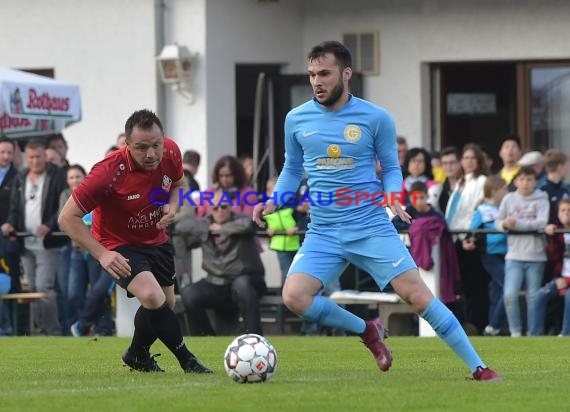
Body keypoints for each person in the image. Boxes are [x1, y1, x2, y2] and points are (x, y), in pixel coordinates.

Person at [253, 41, 499, 381]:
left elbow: (392, 168)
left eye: (324, 73)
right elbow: (292, 169)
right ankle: (367, 331)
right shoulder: (296, 118)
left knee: (418, 297)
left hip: (370, 226)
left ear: (346, 73)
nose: (316, 81)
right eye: (311, 75)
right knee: (294, 296)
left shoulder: (376, 117)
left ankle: (479, 367)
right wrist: (275, 200)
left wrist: (392, 195)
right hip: (323, 231)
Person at [58, 109, 211, 373]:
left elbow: (179, 184)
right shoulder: (106, 173)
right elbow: (67, 218)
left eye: (156, 145)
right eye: (141, 148)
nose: (151, 154)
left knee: (165, 304)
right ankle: (188, 360)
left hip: (157, 239)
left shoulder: (171, 151)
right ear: (126, 145)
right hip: (118, 243)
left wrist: (173, 206)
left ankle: (137, 354)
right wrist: (102, 254)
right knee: (152, 297)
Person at [2, 139, 68, 335]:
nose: (34, 161)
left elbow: (63, 206)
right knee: (32, 289)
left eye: (38, 157)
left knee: (44, 287)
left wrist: (49, 225)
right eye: (30, 157)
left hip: (48, 242)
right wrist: (10, 224)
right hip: (25, 241)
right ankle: (40, 331)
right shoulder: (20, 177)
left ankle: (53, 331)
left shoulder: (57, 175)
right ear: (24, 157)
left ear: (45, 156)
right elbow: (15, 208)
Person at [179, 190, 266, 336]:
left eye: (224, 207)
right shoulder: (205, 224)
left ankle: (255, 336)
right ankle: (207, 337)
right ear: (210, 210)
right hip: (216, 284)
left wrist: (223, 229)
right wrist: (208, 231)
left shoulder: (241, 219)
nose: (220, 211)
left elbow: (249, 225)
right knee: (189, 293)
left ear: (231, 207)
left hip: (248, 281)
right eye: (215, 208)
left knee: (242, 285)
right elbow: (182, 226)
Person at [495, 166, 549, 336]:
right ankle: (515, 333)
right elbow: (498, 221)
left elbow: (541, 223)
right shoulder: (508, 199)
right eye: (522, 179)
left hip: (536, 255)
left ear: (536, 182)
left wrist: (516, 224)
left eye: (529, 179)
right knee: (509, 295)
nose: (525, 183)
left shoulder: (542, 198)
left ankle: (533, 334)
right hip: (514, 254)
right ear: (516, 181)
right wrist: (504, 224)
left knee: (533, 298)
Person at [465, 176, 508, 336]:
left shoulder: (505, 207)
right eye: (504, 189)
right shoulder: (482, 209)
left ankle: (492, 328)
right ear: (495, 190)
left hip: (506, 252)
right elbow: (472, 230)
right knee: (508, 286)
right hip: (490, 254)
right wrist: (469, 240)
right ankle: (494, 325)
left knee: (497, 290)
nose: (507, 192)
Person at [537, 199, 570, 336]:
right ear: (557, 213)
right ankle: (534, 334)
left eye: (569, 211)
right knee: (540, 295)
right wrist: (551, 237)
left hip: (567, 281)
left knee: (569, 296)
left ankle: (565, 333)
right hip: (560, 278)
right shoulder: (557, 231)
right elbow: (553, 257)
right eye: (563, 210)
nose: (567, 214)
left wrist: (567, 282)